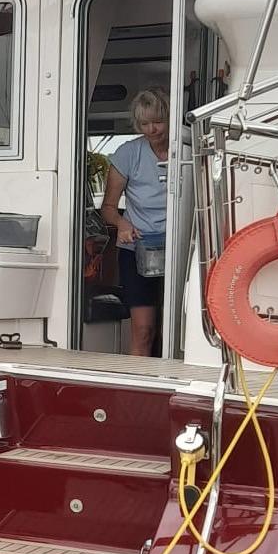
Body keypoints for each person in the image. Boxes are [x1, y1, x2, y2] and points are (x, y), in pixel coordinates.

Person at [102, 88, 173, 357]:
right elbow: (108, 208)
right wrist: (122, 224)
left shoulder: (186, 148)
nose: (152, 129)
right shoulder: (127, 153)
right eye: (145, 124)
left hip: (178, 251)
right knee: (143, 330)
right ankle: (138, 392)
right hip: (137, 250)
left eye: (158, 121)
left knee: (177, 331)